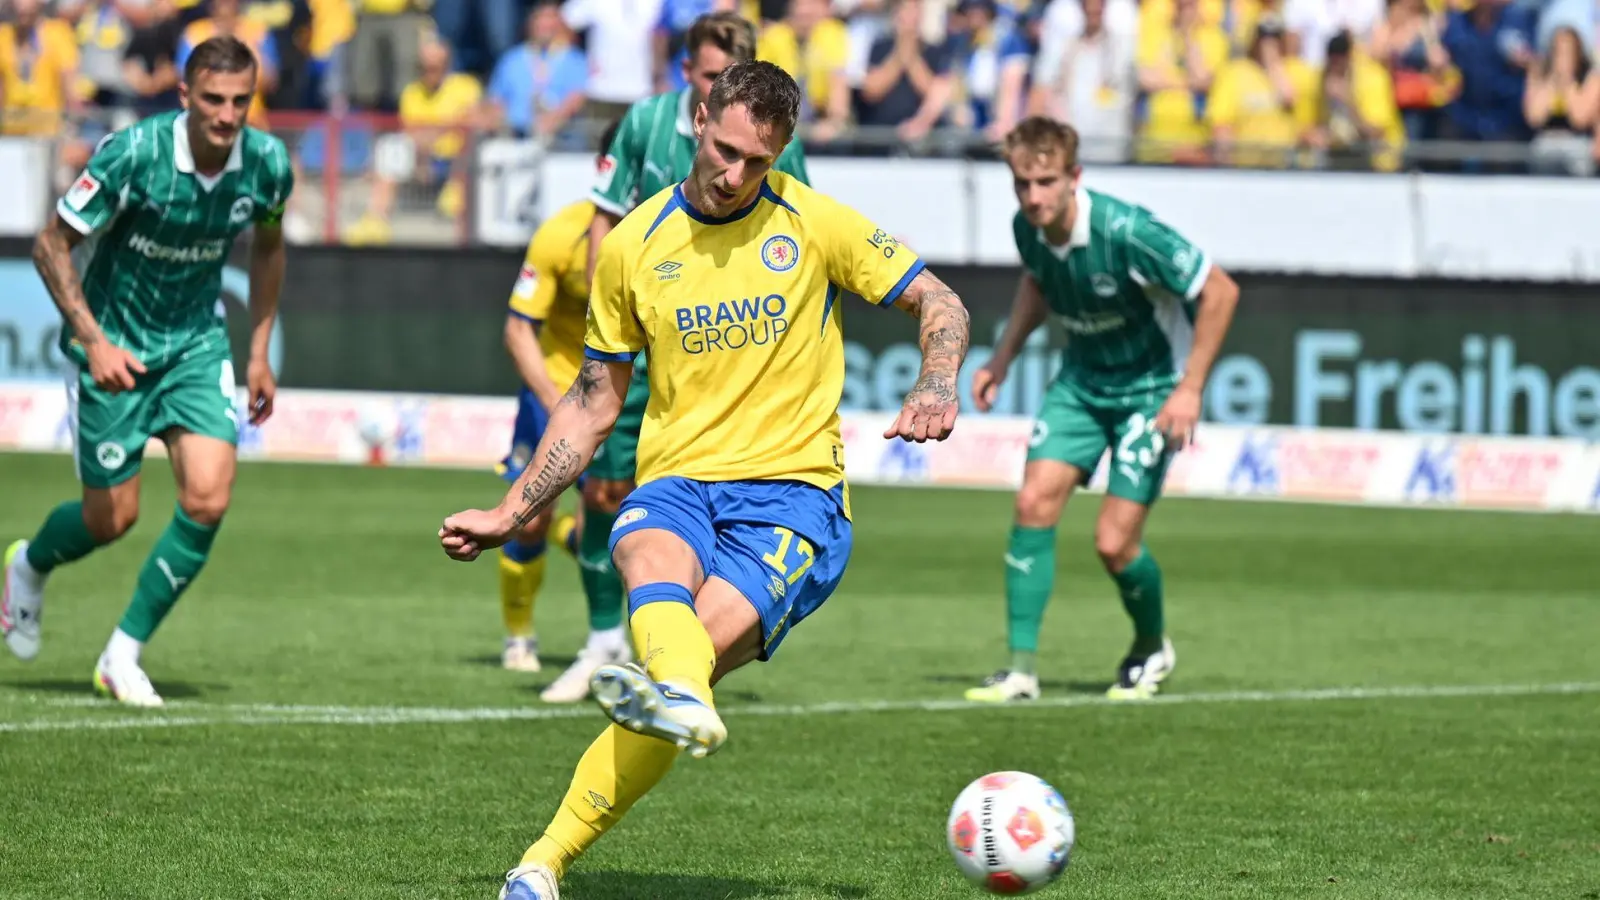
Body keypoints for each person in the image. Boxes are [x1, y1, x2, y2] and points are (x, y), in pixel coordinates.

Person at [438, 60, 970, 900]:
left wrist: (936, 381)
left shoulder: (814, 221)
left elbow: (941, 302)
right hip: (680, 482)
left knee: (674, 669)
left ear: (782, 151)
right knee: (644, 561)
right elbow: (591, 401)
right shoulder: (633, 244)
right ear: (698, 118)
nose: (734, 174)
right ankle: (538, 870)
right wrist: (514, 507)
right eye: (724, 150)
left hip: (795, 499)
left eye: (758, 161)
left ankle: (619, 766)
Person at [1, 36, 294, 708]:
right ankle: (28, 564)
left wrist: (258, 350)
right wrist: (93, 340)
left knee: (210, 497)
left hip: (196, 346)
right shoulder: (134, 154)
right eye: (213, 100)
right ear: (185, 95)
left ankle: (122, 652)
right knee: (112, 519)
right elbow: (52, 243)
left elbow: (270, 249)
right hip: (115, 350)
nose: (227, 115)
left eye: (240, 101)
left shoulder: (269, 166)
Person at [530, 10, 812, 698]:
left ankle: (685, 639)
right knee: (601, 486)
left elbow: (800, 238)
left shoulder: (775, 146)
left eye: (735, 77)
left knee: (693, 495)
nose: (726, 92)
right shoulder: (643, 124)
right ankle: (601, 643)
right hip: (642, 330)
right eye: (715, 77)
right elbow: (606, 216)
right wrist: (614, 316)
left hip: (716, 341)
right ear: (691, 77)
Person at [964, 116, 1239, 704]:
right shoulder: (1027, 228)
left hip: (1150, 390)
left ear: (1074, 177)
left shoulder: (1127, 229)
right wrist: (1003, 357)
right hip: (1082, 385)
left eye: (1045, 182)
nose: (1033, 197)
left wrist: (1189, 389)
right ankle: (1020, 671)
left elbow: (1220, 290)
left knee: (1114, 543)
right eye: (1022, 184)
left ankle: (1149, 647)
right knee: (1032, 501)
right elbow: (1038, 283)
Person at [494, 119, 635, 695]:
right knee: (533, 516)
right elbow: (518, 328)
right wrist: (556, 401)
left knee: (617, 512)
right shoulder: (561, 234)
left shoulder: (668, 233)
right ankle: (519, 634)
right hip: (555, 392)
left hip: (622, 394)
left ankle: (607, 640)